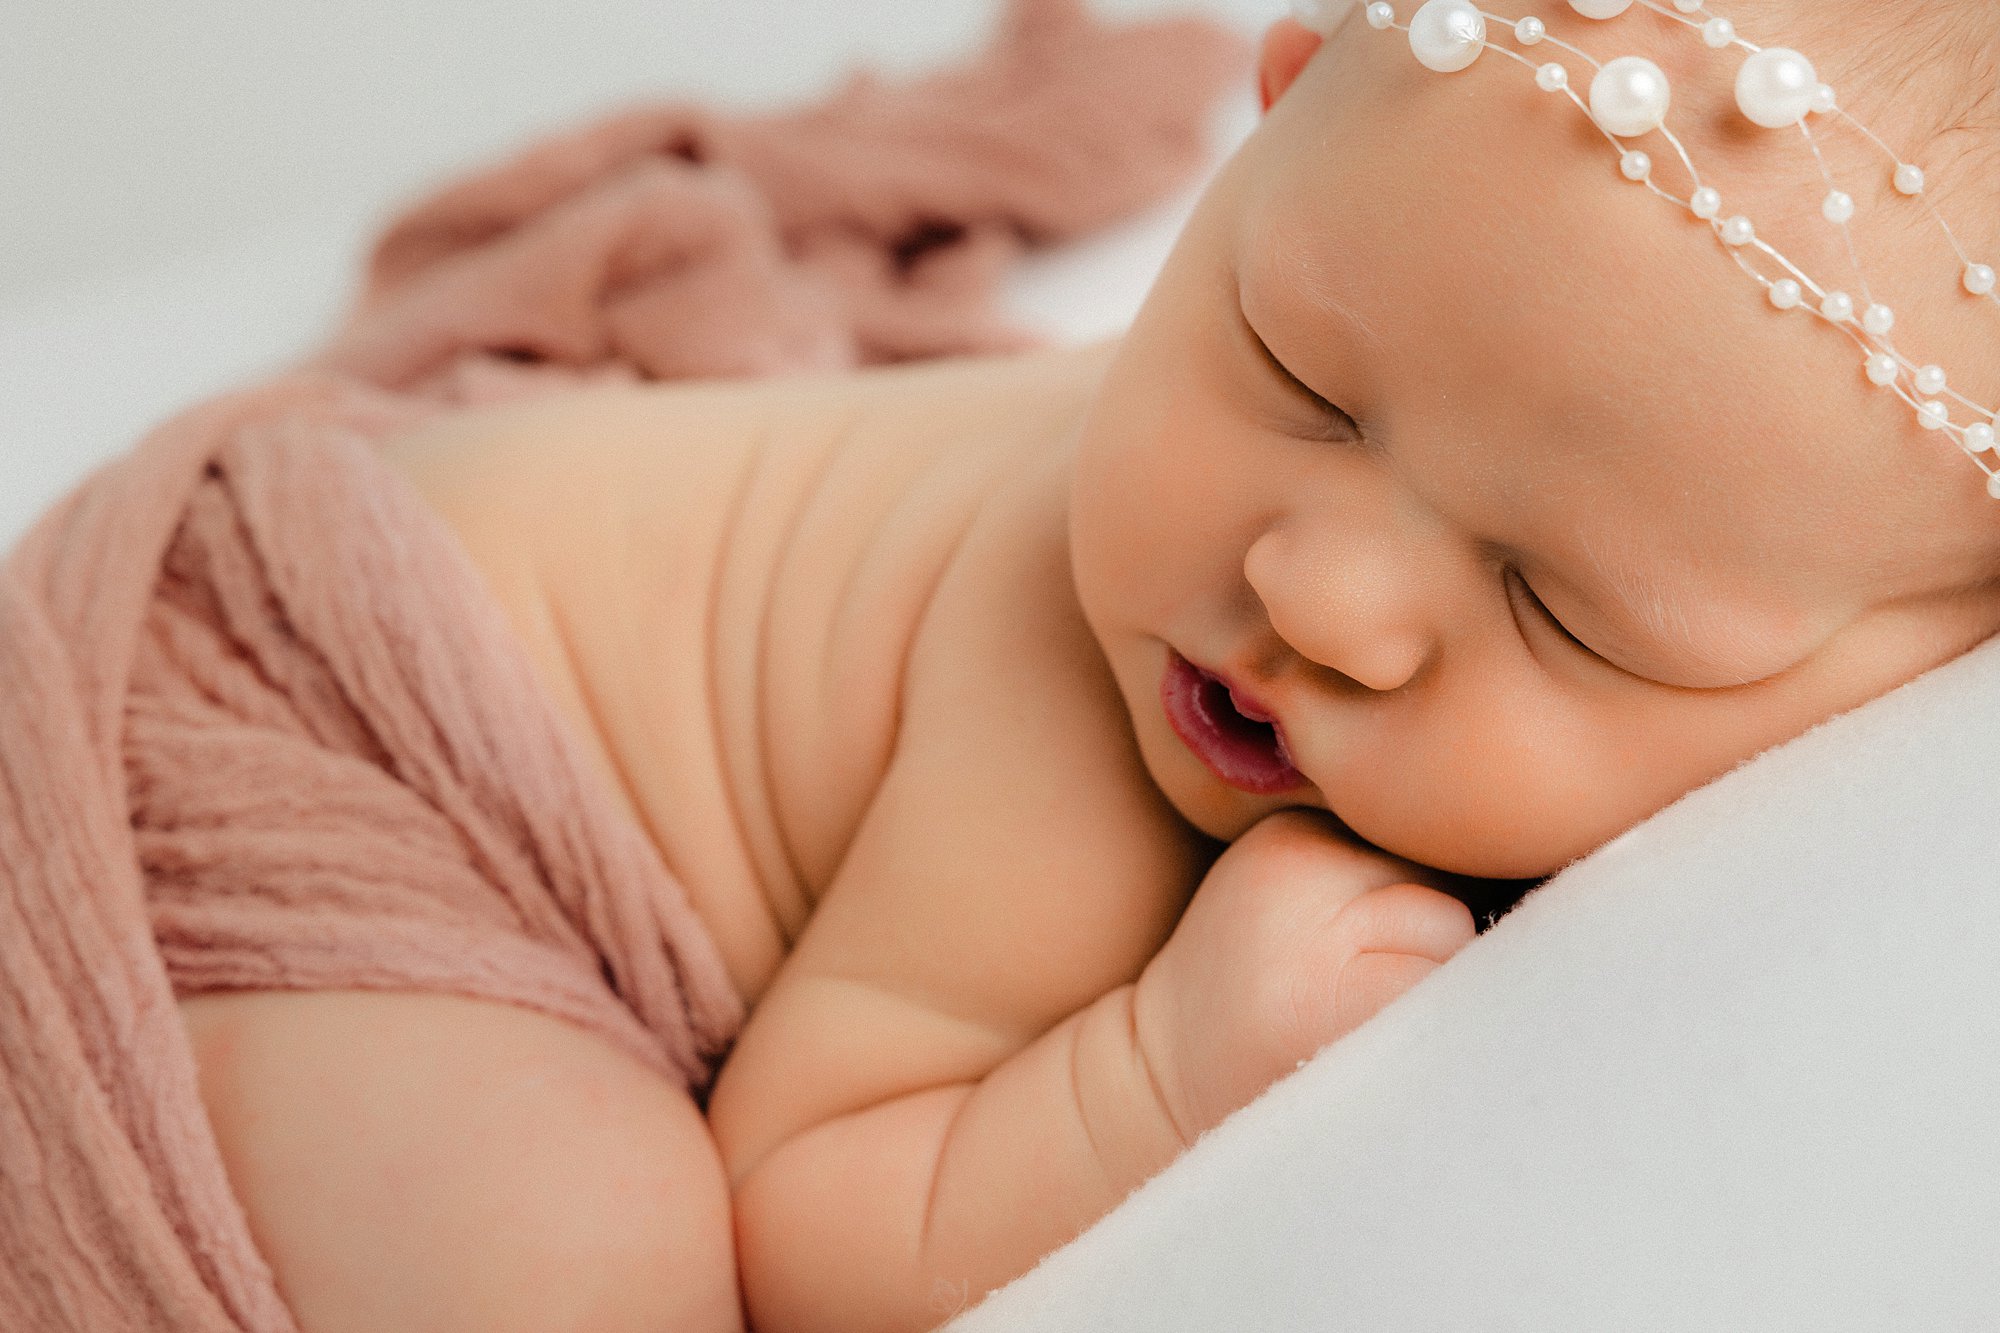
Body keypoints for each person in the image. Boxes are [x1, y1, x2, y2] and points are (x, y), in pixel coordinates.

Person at [167, 0, 2000, 1329]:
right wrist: (1158, 1069)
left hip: (406, 582)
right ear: (1272, 113)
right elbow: (798, 1216)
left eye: (1560, 603)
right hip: (320, 729)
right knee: (580, 1263)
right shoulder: (1071, 701)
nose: (1314, 596)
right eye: (1297, 376)